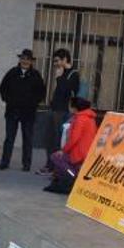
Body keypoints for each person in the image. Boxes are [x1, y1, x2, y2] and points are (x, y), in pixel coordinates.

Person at [0, 49, 46, 171]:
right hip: (12, 111)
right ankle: (4, 162)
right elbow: (3, 88)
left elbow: (41, 92)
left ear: (31, 61)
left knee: (27, 138)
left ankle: (26, 164)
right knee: (9, 138)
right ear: (20, 59)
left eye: (28, 59)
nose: (25, 61)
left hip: (28, 113)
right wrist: (8, 100)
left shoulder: (36, 75)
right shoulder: (12, 73)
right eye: (23, 58)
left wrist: (33, 103)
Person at [39, 48, 80, 176]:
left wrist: (59, 78)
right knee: (49, 139)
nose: (55, 63)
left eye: (57, 60)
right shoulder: (62, 73)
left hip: (63, 111)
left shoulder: (73, 74)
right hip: (54, 109)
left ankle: (57, 168)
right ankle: (49, 164)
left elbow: (66, 91)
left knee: (58, 140)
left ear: (65, 59)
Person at [44, 97, 97, 194]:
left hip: (79, 152)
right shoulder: (90, 118)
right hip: (86, 150)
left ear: (75, 107)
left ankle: (73, 176)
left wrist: (64, 150)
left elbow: (73, 139)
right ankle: (62, 179)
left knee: (56, 157)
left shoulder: (80, 119)